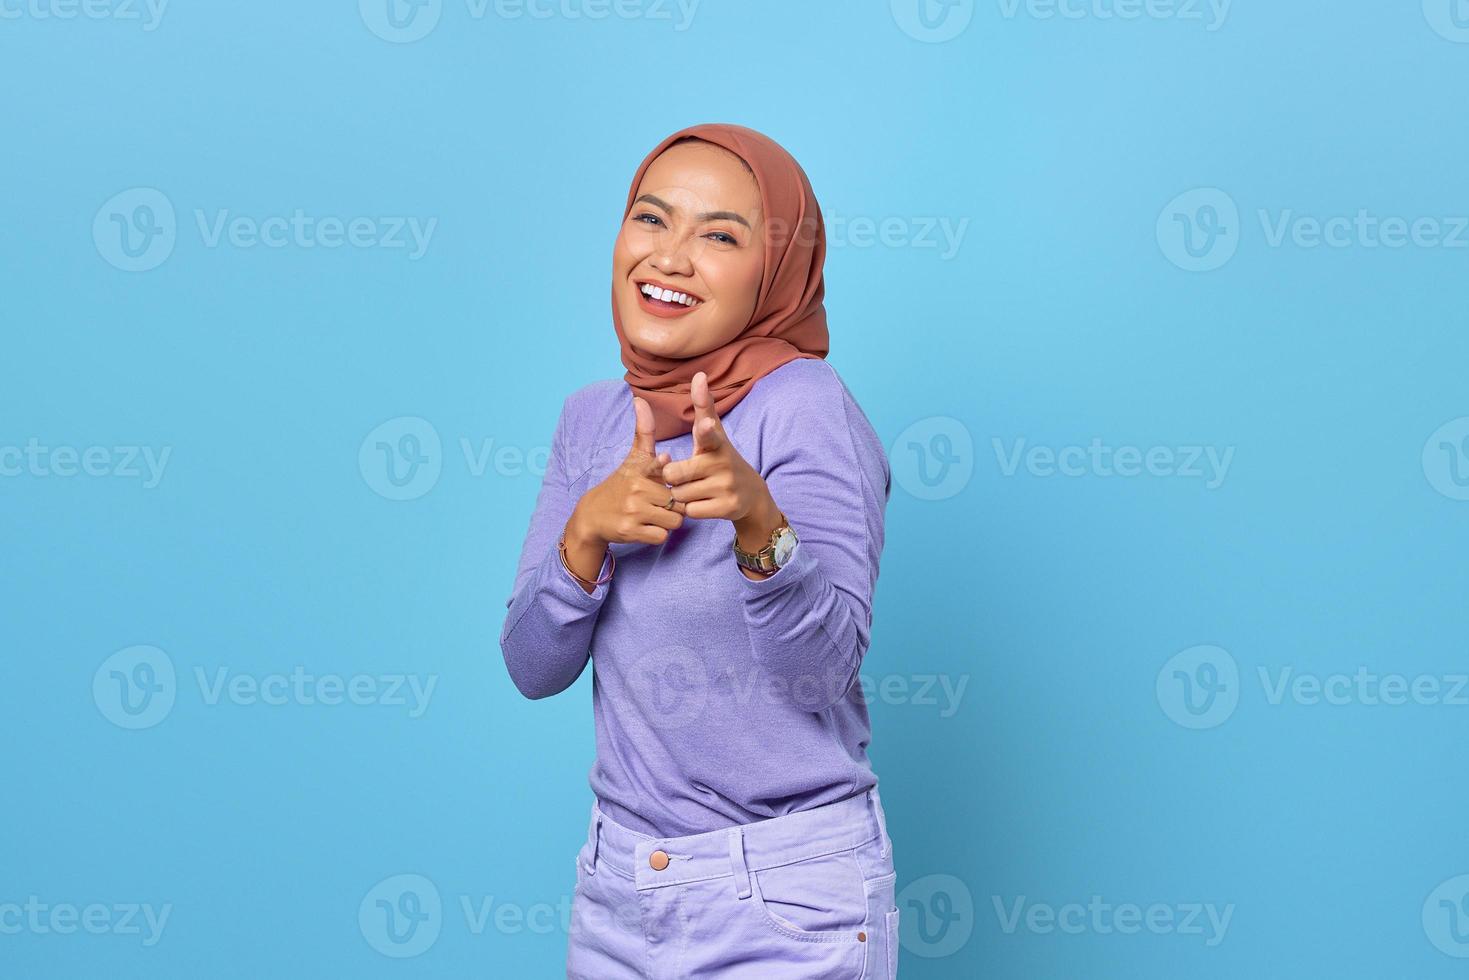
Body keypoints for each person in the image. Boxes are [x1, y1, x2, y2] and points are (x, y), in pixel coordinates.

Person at [499, 122, 899, 979]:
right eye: (651, 219)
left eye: (718, 235)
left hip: (782, 898)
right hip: (618, 886)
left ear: (775, 271)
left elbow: (820, 677)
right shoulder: (589, 420)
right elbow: (532, 667)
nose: (670, 257)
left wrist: (760, 526)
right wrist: (584, 538)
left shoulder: (805, 409)